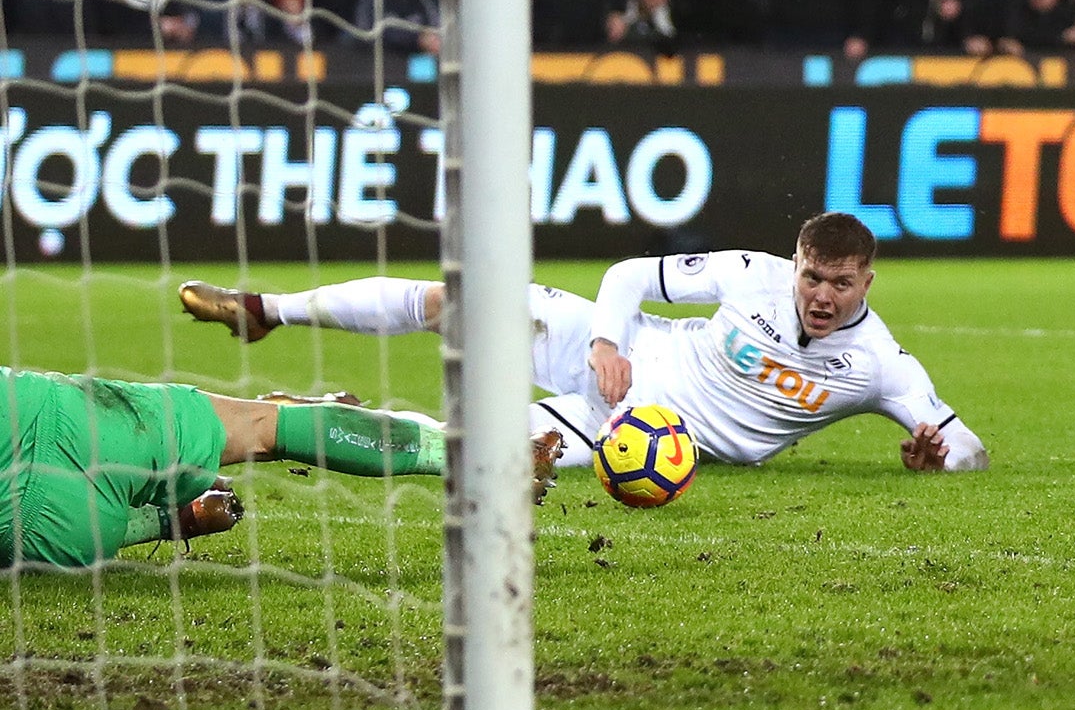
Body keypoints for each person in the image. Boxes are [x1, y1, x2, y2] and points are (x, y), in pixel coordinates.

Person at [180, 212, 989, 474]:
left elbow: (967, 447)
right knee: (453, 300)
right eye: (812, 277)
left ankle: (306, 421)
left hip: (646, 431)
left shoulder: (879, 365)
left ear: (867, 284)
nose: (818, 296)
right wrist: (606, 341)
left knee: (484, 455)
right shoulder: (754, 273)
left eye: (839, 285)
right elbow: (630, 272)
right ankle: (267, 308)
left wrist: (937, 456)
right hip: (625, 350)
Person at [0, 366, 559, 569]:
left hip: (47, 531)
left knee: (50, 525)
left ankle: (175, 520)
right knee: (265, 428)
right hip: (65, 416)